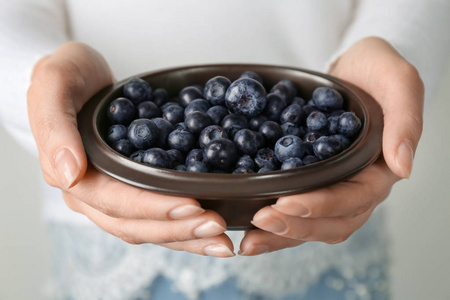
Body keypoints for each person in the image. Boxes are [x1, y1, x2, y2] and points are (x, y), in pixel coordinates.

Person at [1, 0, 450, 299]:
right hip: (105, 245)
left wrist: (395, 43)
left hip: (323, 224)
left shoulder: (302, 127)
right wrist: (36, 74)